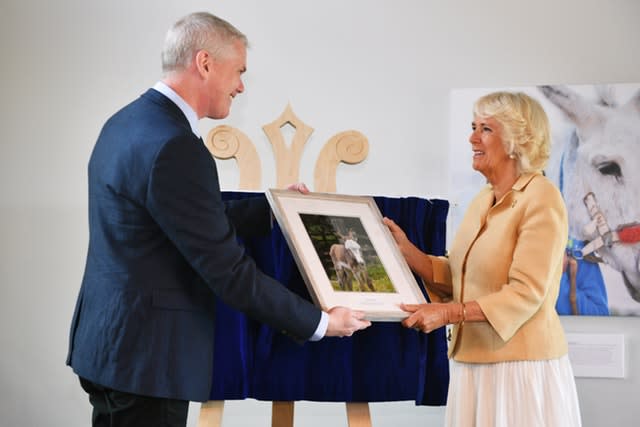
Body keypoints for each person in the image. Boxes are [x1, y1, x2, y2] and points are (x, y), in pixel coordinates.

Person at [66, 11, 370, 427]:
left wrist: (276, 210)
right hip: (147, 361)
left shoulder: (125, 123)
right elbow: (230, 273)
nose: (241, 85)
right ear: (205, 63)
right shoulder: (176, 145)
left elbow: (178, 216)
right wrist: (320, 322)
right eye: (239, 71)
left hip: (112, 346)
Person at [384, 92, 582, 426]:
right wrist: (410, 254)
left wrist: (448, 313)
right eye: (473, 127)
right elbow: (463, 276)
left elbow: (526, 293)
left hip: (519, 370)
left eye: (485, 129)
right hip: (471, 365)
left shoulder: (542, 197)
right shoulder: (481, 200)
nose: (472, 138)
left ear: (516, 141)